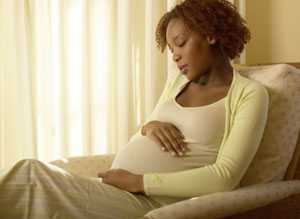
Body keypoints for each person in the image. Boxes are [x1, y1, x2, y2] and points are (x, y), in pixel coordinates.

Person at [0, 0, 269, 218]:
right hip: (115, 193)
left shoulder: (248, 94)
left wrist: (139, 182)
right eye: (171, 47)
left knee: (31, 174)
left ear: (210, 34)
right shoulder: (176, 82)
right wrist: (149, 127)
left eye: (181, 42)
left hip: (149, 205)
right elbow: (148, 129)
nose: (174, 55)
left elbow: (224, 178)